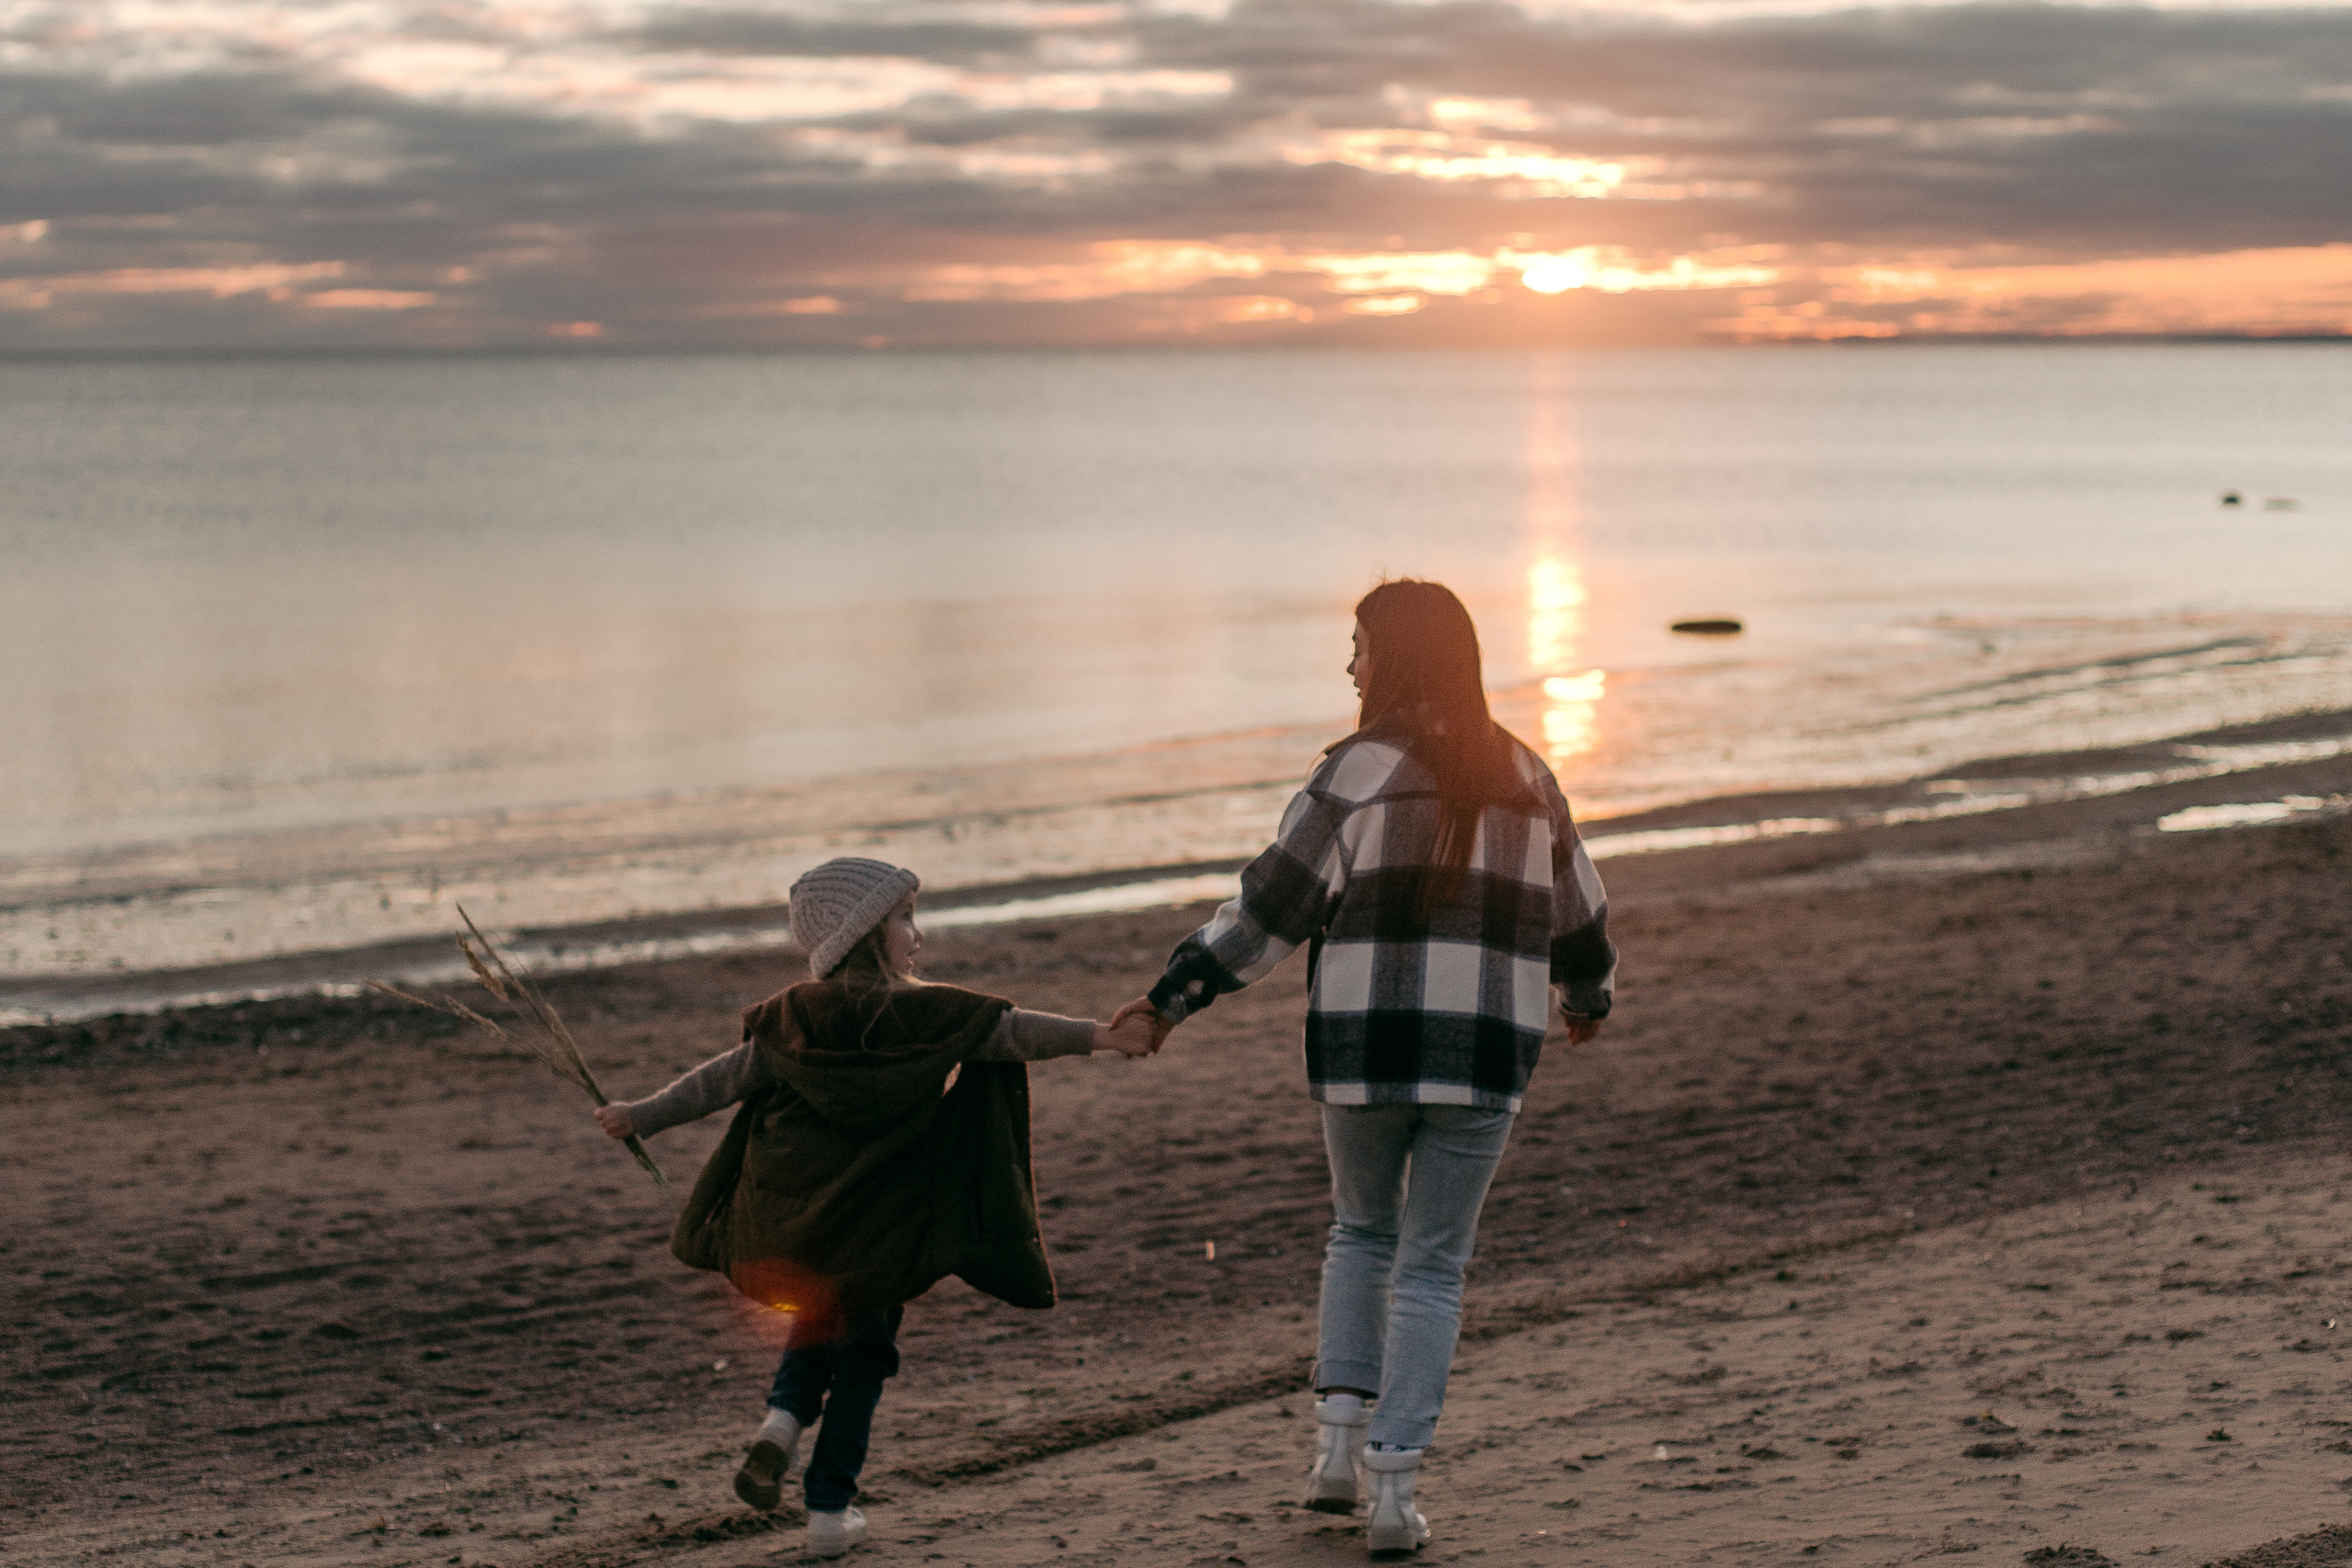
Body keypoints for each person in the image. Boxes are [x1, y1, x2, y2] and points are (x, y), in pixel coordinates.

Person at [1114, 579, 1614, 1559]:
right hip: (1480, 1056)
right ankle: (1395, 1489)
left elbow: (1268, 907)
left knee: (1360, 1234)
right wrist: (1586, 1002)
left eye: (1357, 645)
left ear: (1392, 656)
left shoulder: (1353, 772)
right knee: (1432, 1263)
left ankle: (1334, 1457)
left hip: (1362, 1047)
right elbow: (1580, 913)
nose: (1349, 663)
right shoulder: (1524, 771)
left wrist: (1173, 998)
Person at [596, 855, 1154, 1560]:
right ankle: (830, 1509)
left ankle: (781, 1421)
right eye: (904, 919)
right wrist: (1105, 1036)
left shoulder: (791, 1016)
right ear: (864, 932)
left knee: (818, 1312)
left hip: (802, 1224)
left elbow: (722, 1080)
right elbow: (1016, 1032)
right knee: (864, 1360)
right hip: (884, 1231)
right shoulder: (930, 1014)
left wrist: (641, 1114)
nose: (916, 934)